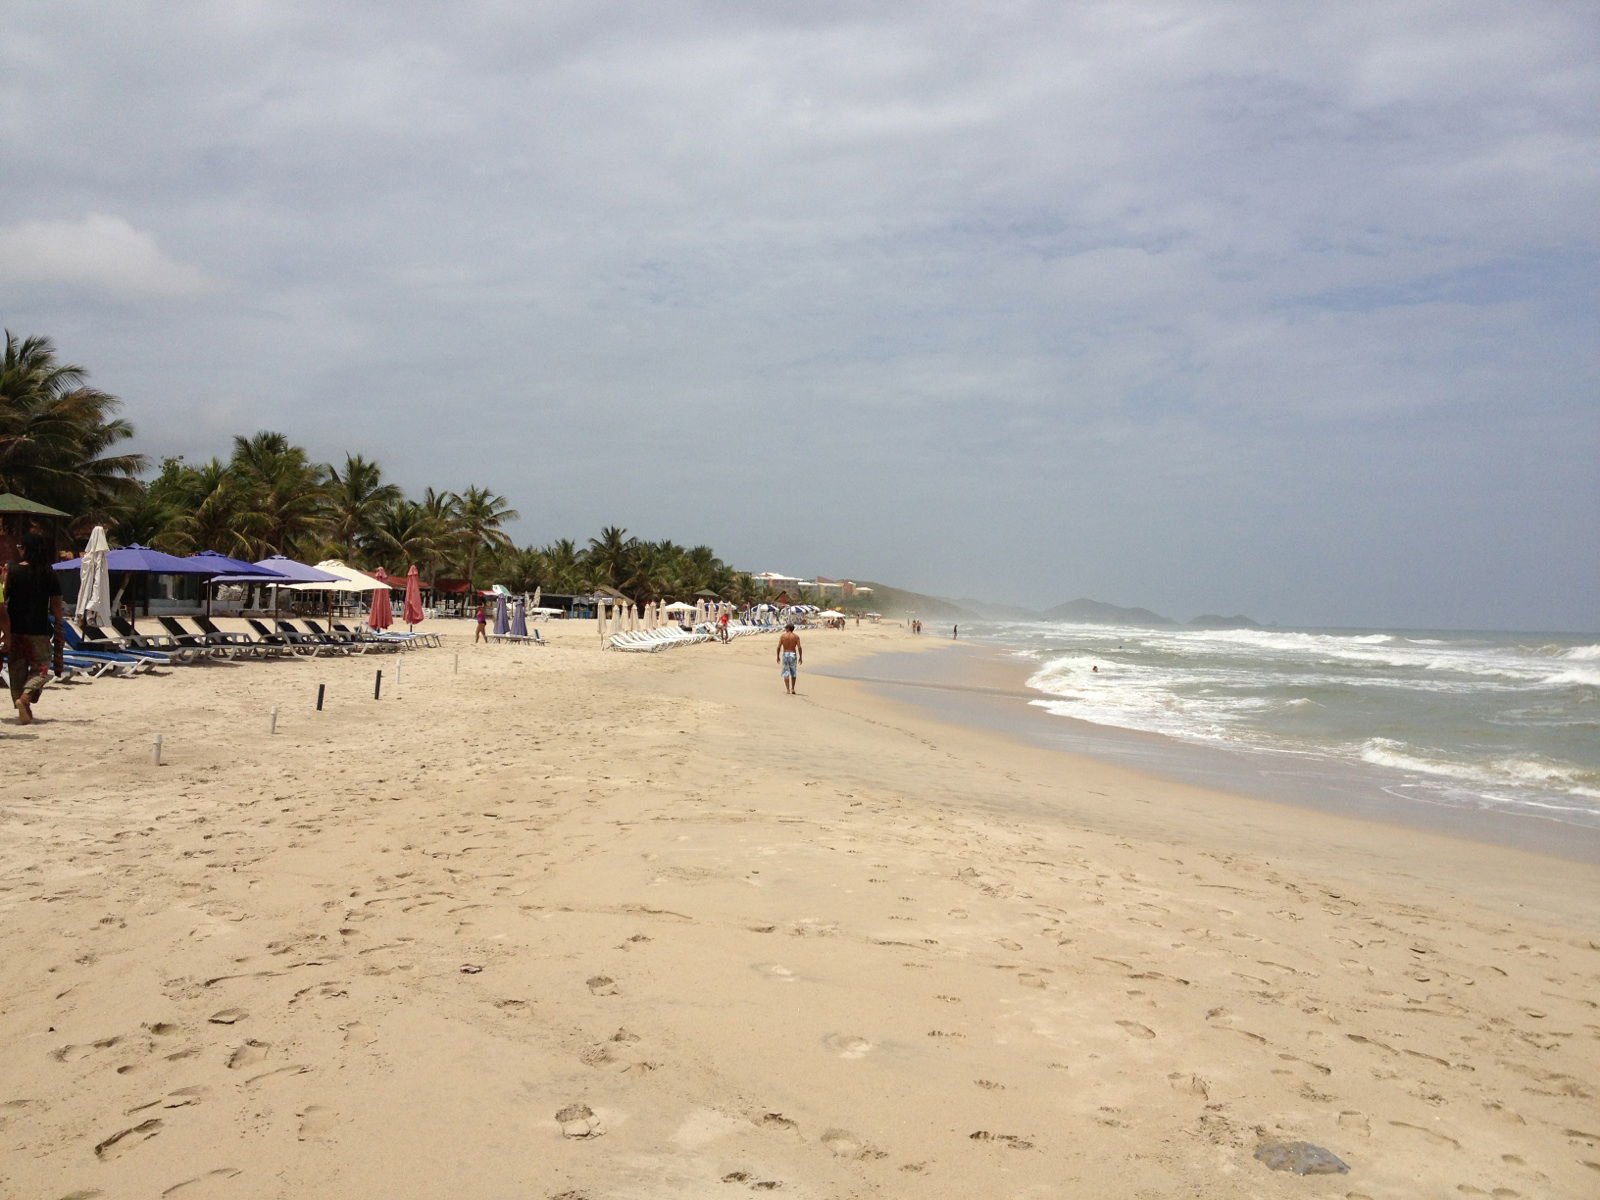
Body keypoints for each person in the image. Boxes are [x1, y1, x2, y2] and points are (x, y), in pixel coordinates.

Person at [5, 533, 64, 725]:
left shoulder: (12, 570)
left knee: (16, 669)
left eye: (21, 546)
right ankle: (25, 698)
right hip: (39, 630)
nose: (19, 550)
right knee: (41, 669)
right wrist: (59, 625)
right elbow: (56, 604)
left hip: (15, 629)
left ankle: (23, 705)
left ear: (26, 549)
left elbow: (4, 598)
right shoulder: (48, 573)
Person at [776, 622, 802, 694]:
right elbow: (799, 647)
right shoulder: (796, 637)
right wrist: (800, 657)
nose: (785, 629)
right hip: (793, 654)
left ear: (788, 628)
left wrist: (778, 656)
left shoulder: (783, 636)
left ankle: (788, 690)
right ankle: (793, 689)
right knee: (793, 672)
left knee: (786, 672)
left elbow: (778, 647)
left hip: (786, 654)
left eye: (785, 628)